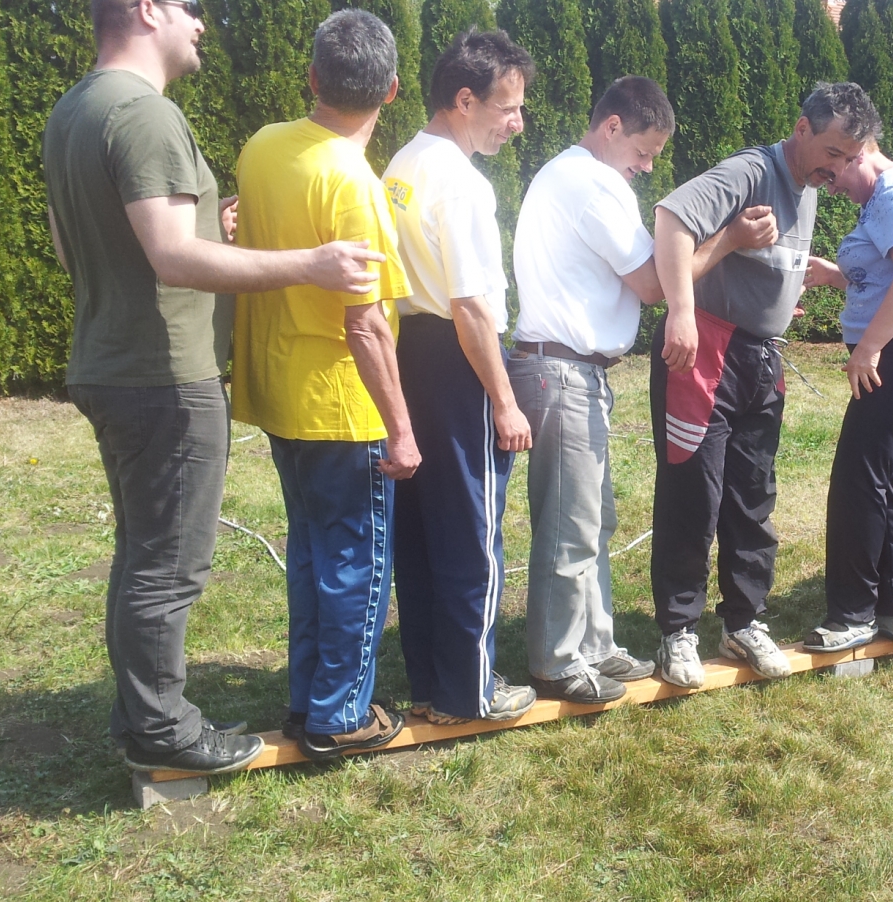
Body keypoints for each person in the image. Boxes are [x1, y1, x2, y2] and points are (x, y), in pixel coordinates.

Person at [44, 0, 385, 775]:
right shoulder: (145, 115)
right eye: (189, 7)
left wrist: (204, 233)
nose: (201, 22)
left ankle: (142, 716)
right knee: (170, 567)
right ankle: (163, 730)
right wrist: (311, 264)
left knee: (142, 554)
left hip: (108, 364)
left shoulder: (76, 109)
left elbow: (76, 246)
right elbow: (170, 257)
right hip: (164, 375)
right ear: (146, 9)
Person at [509, 76, 779, 704]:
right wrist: (730, 239)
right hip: (564, 371)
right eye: (644, 150)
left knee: (592, 518)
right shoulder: (591, 183)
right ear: (611, 127)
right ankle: (555, 660)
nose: (648, 165)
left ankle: (595, 643)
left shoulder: (571, 174)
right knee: (570, 525)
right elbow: (656, 283)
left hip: (573, 370)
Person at [649, 83, 879, 688]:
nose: (838, 169)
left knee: (753, 497)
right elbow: (671, 218)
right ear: (802, 128)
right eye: (832, 152)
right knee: (693, 496)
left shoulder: (811, 186)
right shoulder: (750, 171)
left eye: (849, 158)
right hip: (704, 354)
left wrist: (782, 295)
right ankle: (678, 629)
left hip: (760, 360)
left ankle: (743, 621)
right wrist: (680, 311)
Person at [231, 10, 416, 759]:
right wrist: (401, 429)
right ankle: (340, 716)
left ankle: (309, 700)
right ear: (392, 90)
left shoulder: (262, 146)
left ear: (312, 77)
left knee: (312, 554)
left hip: (280, 390)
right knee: (356, 566)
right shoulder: (353, 183)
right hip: (341, 406)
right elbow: (365, 326)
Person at [381, 29, 537, 725]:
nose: (517, 123)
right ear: (465, 100)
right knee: (472, 530)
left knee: (420, 526)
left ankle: (430, 683)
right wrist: (503, 401)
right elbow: (471, 305)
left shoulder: (402, 164)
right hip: (457, 355)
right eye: (508, 108)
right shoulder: (463, 185)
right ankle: (470, 690)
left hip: (409, 350)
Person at [799, 138, 893, 651]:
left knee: (858, 484)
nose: (831, 184)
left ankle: (853, 615)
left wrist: (869, 348)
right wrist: (838, 277)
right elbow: (892, 276)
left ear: (860, 150)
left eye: (836, 169)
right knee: (888, 480)